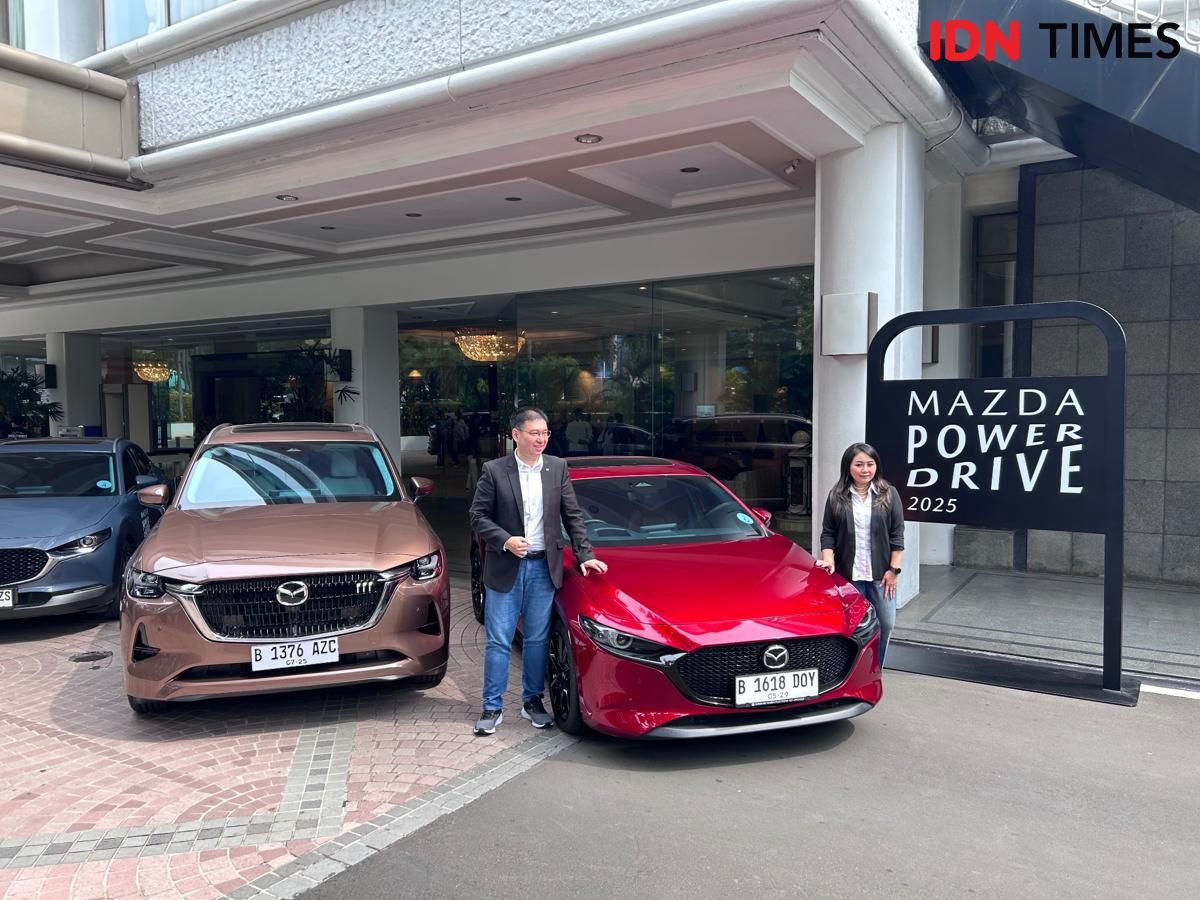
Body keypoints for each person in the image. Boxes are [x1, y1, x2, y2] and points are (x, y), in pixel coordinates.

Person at [468, 406, 608, 735]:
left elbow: (572, 515)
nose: (541, 439)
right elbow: (478, 516)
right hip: (507, 567)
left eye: (545, 433)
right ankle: (491, 707)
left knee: (536, 640)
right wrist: (505, 540)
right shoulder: (494, 471)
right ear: (515, 435)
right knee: (499, 641)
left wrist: (585, 554)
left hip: (544, 568)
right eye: (534, 433)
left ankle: (532, 702)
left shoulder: (557, 468)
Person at [816, 442, 904, 664]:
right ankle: (856, 671)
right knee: (854, 628)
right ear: (848, 466)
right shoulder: (837, 496)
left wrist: (894, 570)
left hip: (882, 576)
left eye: (870, 464)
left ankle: (877, 668)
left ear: (877, 466)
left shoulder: (889, 494)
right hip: (850, 577)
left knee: (886, 624)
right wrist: (828, 559)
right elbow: (828, 533)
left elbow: (897, 535)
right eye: (859, 464)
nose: (865, 470)